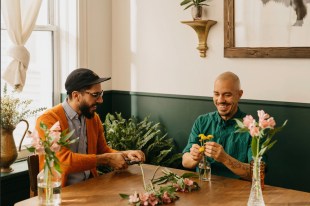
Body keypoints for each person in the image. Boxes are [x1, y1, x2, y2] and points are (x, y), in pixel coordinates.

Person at [36, 68, 145, 186]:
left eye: (101, 94)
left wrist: (126, 155)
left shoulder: (93, 118)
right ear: (76, 95)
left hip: (91, 185)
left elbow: (103, 150)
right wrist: (107, 159)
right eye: (95, 95)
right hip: (59, 194)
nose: (101, 100)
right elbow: (62, 161)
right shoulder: (47, 120)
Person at [182, 71, 252, 180]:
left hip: (238, 192)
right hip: (203, 187)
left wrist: (225, 159)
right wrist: (193, 157)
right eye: (216, 94)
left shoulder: (253, 128)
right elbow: (185, 161)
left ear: (239, 94)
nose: (220, 100)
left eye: (227, 95)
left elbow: (256, 173)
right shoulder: (202, 121)